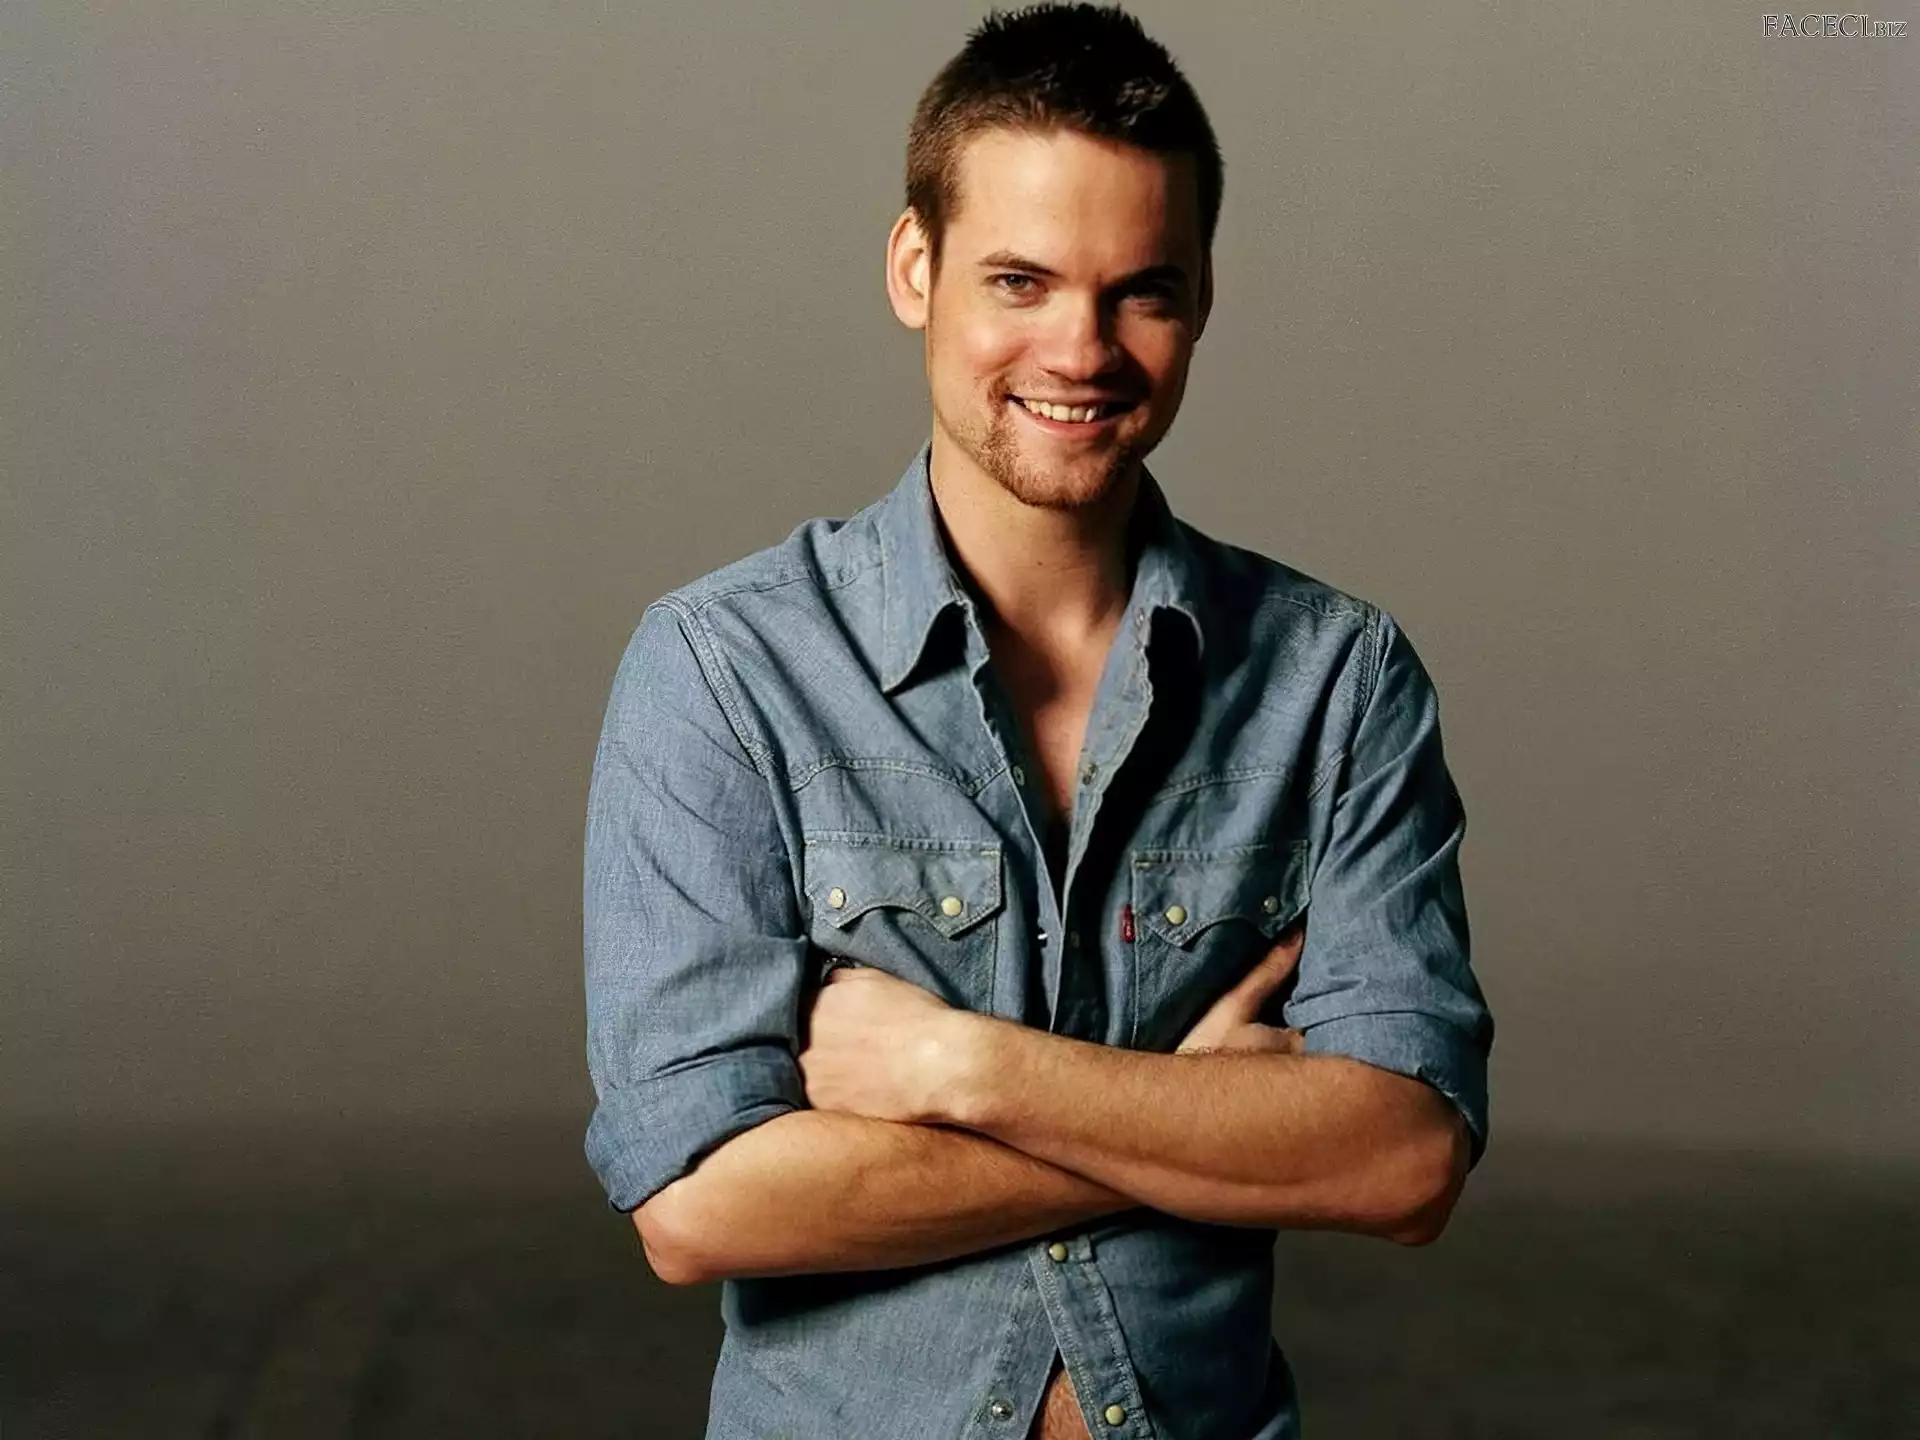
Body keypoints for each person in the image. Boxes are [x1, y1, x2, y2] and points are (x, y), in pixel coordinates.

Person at [582, 5, 1494, 1436]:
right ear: (915, 268)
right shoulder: (724, 670)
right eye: (1020, 280)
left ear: (1202, 298)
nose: (1082, 349)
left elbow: (1404, 1160)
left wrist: (967, 1071)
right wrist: (1191, 1119)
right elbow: (699, 1206)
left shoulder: (1338, 678)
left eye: (1142, 292)